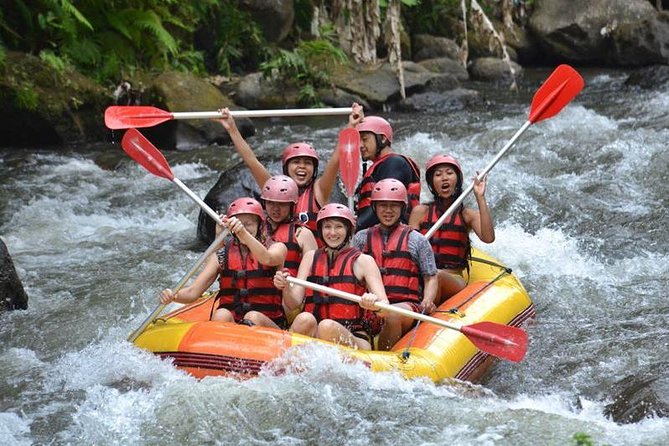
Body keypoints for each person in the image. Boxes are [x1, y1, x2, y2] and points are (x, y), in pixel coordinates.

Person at [217, 103, 364, 232]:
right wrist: (232, 129)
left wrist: (352, 126)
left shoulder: (319, 191)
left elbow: (335, 160)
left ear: (314, 170)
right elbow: (251, 161)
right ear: (286, 167)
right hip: (278, 259)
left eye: (307, 163)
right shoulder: (272, 187)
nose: (302, 167)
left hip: (311, 259)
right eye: (296, 162)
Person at [273, 203, 389, 350]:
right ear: (321, 230)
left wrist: (374, 304)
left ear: (348, 230)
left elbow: (385, 310)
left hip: (354, 336)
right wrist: (285, 288)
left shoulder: (363, 261)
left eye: (339, 227)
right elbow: (292, 303)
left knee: (326, 326)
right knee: (304, 319)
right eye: (327, 227)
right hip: (317, 334)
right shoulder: (310, 257)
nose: (332, 233)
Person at [160, 197, 288, 328]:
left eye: (248, 224)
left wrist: (243, 233)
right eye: (239, 224)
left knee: (252, 316)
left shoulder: (277, 247)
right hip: (233, 327)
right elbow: (192, 292)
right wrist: (173, 295)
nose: (242, 228)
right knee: (221, 314)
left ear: (259, 226)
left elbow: (267, 258)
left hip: (268, 326)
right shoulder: (221, 255)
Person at [352, 179, 438, 350]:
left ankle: (383, 357)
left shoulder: (417, 240)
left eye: (394, 205)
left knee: (391, 314)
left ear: (402, 208)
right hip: (370, 304)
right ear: (375, 207)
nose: (388, 211)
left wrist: (427, 301)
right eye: (383, 205)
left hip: (406, 307)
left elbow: (431, 277)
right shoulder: (361, 238)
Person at [409, 154, 495, 304]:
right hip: (423, 276)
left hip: (453, 278)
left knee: (438, 275)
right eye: (438, 174)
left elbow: (488, 238)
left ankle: (427, 312)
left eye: (449, 173)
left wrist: (480, 197)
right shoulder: (420, 212)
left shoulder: (467, 214)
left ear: (457, 180)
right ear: (431, 183)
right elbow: (408, 249)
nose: (444, 178)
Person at [352, 115, 421, 231]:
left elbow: (385, 204)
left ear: (383, 139)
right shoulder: (381, 166)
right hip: (374, 235)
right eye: (358, 141)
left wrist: (355, 227)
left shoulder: (395, 163)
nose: (360, 145)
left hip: (393, 238)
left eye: (364, 139)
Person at [261, 175, 317, 277]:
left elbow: (313, 273)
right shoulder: (256, 229)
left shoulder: (302, 233)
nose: (275, 209)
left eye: (282, 204)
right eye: (270, 203)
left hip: (290, 289)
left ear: (292, 205)